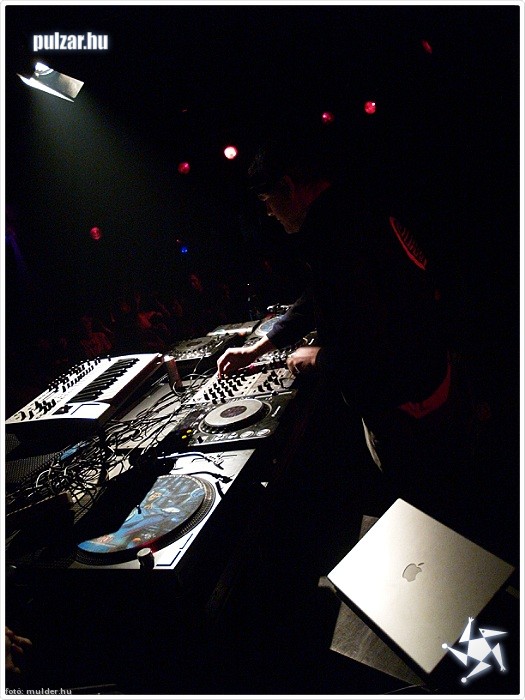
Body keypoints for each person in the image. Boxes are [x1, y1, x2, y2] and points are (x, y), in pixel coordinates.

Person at [217, 124, 469, 511]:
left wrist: (316, 357)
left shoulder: (336, 238)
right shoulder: (353, 211)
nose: (268, 212)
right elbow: (318, 297)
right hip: (433, 384)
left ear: (288, 187)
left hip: (410, 411)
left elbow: (376, 351)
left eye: (268, 199)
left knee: (427, 512)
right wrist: (259, 347)